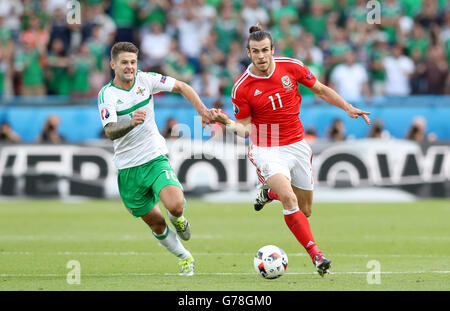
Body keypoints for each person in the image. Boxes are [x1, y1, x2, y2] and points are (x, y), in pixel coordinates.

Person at [210, 25, 371, 277]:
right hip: (266, 149)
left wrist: (348, 107)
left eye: (265, 50)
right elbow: (244, 129)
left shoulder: (291, 66)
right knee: (290, 199)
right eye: (255, 51)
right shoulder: (242, 87)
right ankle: (317, 256)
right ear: (248, 53)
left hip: (297, 145)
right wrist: (226, 123)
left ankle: (269, 193)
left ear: (273, 50)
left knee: (305, 210)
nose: (261, 56)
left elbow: (320, 89)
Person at [97, 42, 213, 276]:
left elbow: (181, 86)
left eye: (133, 62)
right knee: (157, 225)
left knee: (176, 205)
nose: (129, 67)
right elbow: (109, 131)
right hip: (128, 168)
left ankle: (178, 218)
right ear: (113, 65)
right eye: (124, 63)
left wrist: (202, 111)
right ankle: (184, 256)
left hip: (154, 157)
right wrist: (130, 122)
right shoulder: (107, 94)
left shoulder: (146, 79)